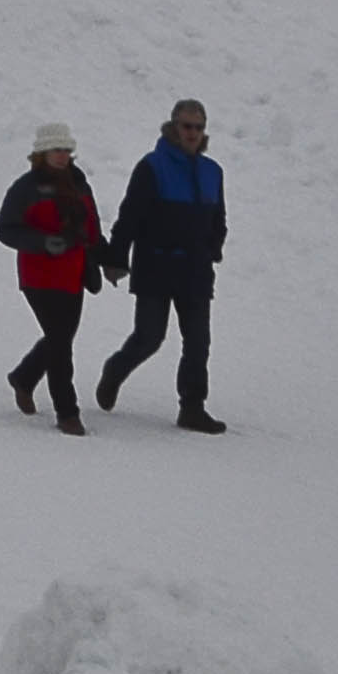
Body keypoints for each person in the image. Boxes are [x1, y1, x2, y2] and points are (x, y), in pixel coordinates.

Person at [99, 100, 231, 432]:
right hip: (155, 266)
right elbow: (129, 217)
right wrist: (116, 258)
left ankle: (192, 408)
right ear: (174, 127)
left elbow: (218, 218)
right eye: (187, 126)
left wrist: (213, 248)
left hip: (196, 271)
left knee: (198, 342)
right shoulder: (152, 167)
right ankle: (115, 370)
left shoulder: (213, 171)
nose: (193, 133)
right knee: (149, 337)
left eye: (198, 127)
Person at [0, 121, 111, 434]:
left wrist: (108, 259)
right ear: (42, 153)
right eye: (55, 150)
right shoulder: (25, 188)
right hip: (39, 277)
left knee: (60, 337)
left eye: (66, 150)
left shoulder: (79, 182)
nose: (62, 155)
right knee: (61, 343)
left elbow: (91, 227)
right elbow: (5, 230)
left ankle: (24, 377)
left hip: (74, 274)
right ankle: (67, 412)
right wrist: (44, 243)